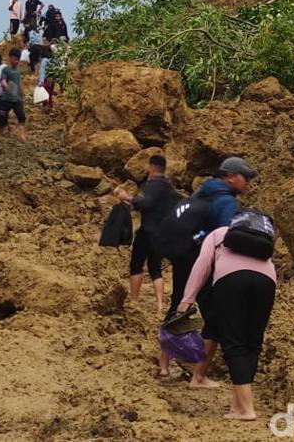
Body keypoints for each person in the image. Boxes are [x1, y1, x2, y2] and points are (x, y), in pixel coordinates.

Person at [177, 216, 276, 421]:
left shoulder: (218, 234)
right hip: (267, 281)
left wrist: (187, 299)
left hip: (231, 280)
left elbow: (202, 265)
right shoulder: (260, 236)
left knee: (234, 343)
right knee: (252, 344)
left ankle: (246, 410)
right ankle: (238, 405)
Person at [180, 156, 259, 390]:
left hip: (188, 258)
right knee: (215, 322)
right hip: (210, 264)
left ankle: (169, 364)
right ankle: (199, 376)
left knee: (187, 309)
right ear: (232, 177)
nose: (248, 184)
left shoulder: (202, 192)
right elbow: (226, 237)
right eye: (246, 179)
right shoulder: (226, 202)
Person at [116, 155, 177, 314]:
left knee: (136, 265)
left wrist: (127, 198)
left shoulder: (152, 185)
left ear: (151, 168)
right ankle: (159, 305)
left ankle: (134, 301)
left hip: (147, 231)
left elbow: (145, 203)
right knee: (155, 267)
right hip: (163, 234)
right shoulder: (170, 188)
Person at [0, 48, 27, 141]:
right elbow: (3, 81)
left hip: (16, 99)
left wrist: (22, 96)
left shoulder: (18, 71)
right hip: (6, 98)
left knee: (21, 116)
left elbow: (20, 84)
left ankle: (21, 135)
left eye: (18, 59)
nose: (17, 61)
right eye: (15, 58)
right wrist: (8, 88)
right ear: (10, 58)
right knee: (2, 117)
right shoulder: (6, 70)